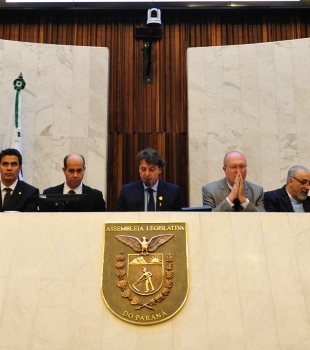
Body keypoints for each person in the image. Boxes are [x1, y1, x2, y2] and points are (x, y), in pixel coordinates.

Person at [116, 148, 184, 211]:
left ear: (160, 170)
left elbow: (181, 220)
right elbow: (119, 220)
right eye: (143, 169)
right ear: (139, 169)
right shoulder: (127, 192)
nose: (147, 174)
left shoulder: (174, 192)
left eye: (151, 170)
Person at [40, 153, 106, 212]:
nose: (75, 175)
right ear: (64, 170)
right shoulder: (49, 194)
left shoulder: (95, 197)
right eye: (71, 171)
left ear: (84, 170)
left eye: (79, 170)